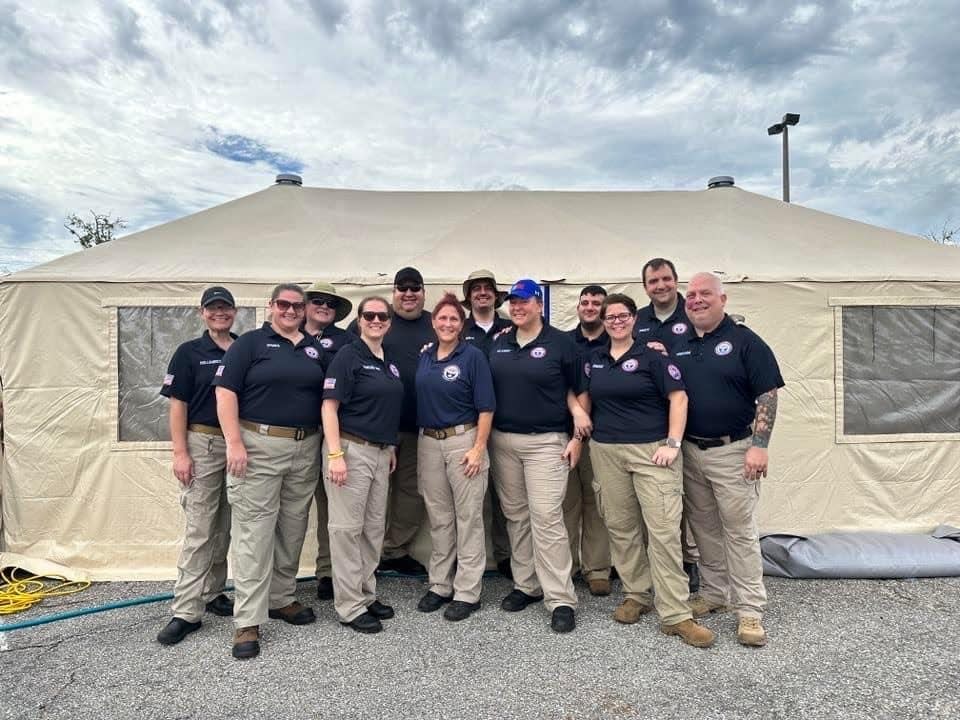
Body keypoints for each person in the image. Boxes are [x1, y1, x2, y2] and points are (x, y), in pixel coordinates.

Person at [578, 293, 715, 648]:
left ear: (633, 319)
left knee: (663, 531)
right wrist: (579, 421)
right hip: (607, 451)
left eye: (623, 316)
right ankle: (637, 594)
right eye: (610, 317)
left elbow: (679, 398)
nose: (617, 322)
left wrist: (672, 443)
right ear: (604, 321)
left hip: (651, 451)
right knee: (621, 527)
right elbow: (584, 398)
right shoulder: (594, 359)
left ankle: (675, 613)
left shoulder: (652, 356)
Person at [213, 283, 329, 660]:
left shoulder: (314, 348)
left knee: (293, 528)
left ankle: (282, 598)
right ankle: (247, 619)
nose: (291, 311)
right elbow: (225, 392)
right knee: (254, 532)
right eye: (284, 304)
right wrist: (234, 442)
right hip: (259, 446)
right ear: (271, 306)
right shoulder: (249, 344)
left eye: (298, 305)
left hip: (305, 446)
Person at [673, 272, 784, 647]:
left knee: (739, 530)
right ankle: (715, 593)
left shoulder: (744, 341)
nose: (697, 300)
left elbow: (767, 394)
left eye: (705, 294)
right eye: (690, 295)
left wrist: (760, 444)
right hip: (691, 450)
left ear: (724, 299)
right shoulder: (681, 342)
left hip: (734, 450)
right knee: (703, 528)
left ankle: (750, 609)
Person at [488, 278, 590, 633]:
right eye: (512, 302)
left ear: (539, 304)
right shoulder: (500, 343)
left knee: (546, 517)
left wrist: (578, 433)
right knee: (516, 516)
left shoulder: (561, 344)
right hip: (503, 441)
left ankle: (560, 597)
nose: (516, 307)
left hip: (546, 442)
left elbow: (579, 390)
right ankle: (527, 585)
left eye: (523, 301)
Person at [156, 286, 238, 646]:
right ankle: (186, 610)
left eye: (225, 308)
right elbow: (177, 405)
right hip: (202, 442)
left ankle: (213, 590)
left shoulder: (243, 348)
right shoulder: (189, 353)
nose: (219, 313)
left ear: (234, 312)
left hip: (238, 444)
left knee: (226, 523)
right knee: (200, 526)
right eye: (213, 308)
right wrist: (180, 452)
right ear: (202, 313)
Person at [322, 297, 405, 634]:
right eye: (369, 315)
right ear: (358, 320)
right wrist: (335, 454)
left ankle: (367, 594)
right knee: (346, 530)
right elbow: (329, 407)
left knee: (372, 529)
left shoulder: (388, 361)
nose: (375, 320)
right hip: (351, 450)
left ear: (389, 321)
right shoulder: (348, 355)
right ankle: (349, 605)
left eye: (381, 315)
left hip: (380, 452)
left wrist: (389, 446)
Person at [349, 267, 435, 576]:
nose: (408, 294)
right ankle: (357, 560)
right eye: (402, 288)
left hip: (418, 427)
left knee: (411, 493)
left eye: (415, 288)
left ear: (424, 291)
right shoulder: (375, 321)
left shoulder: (436, 323)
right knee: (368, 494)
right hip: (373, 428)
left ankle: (394, 550)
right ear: (393, 291)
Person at [415, 293, 496, 622]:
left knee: (468, 517)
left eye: (454, 320)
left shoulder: (472, 356)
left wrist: (477, 448)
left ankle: (467, 591)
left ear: (461, 326)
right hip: (429, 442)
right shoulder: (426, 356)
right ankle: (440, 584)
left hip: (463, 440)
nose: (447, 324)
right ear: (433, 322)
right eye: (442, 318)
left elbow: (487, 407)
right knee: (439, 517)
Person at [635, 257, 701, 592]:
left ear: (676, 280)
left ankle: (689, 561)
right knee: (661, 501)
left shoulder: (693, 314)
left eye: (665, 279)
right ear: (645, 286)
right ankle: (655, 565)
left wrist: (667, 358)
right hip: (650, 424)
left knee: (690, 500)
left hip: (691, 419)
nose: (660, 285)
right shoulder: (638, 320)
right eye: (653, 281)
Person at [302, 281, 354, 603]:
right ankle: (277, 579)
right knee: (290, 510)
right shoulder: (288, 335)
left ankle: (328, 572)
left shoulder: (347, 340)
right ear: (305, 305)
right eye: (317, 301)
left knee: (330, 507)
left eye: (330, 304)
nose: (324, 307)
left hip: (333, 432)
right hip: (298, 431)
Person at [460, 269, 513, 578]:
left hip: (506, 422)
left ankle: (506, 556)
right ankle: (471, 560)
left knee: (506, 495)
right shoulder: (457, 327)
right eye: (476, 289)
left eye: (487, 288)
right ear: (469, 297)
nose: (482, 292)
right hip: (469, 423)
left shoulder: (511, 326)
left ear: (496, 295)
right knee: (471, 498)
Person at [563, 284, 613, 597]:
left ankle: (597, 569)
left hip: (605, 435)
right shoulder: (565, 342)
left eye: (597, 302)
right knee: (566, 504)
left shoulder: (619, 340)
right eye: (585, 302)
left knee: (597, 505)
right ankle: (564, 568)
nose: (590, 306)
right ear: (578, 307)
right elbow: (558, 383)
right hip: (565, 434)